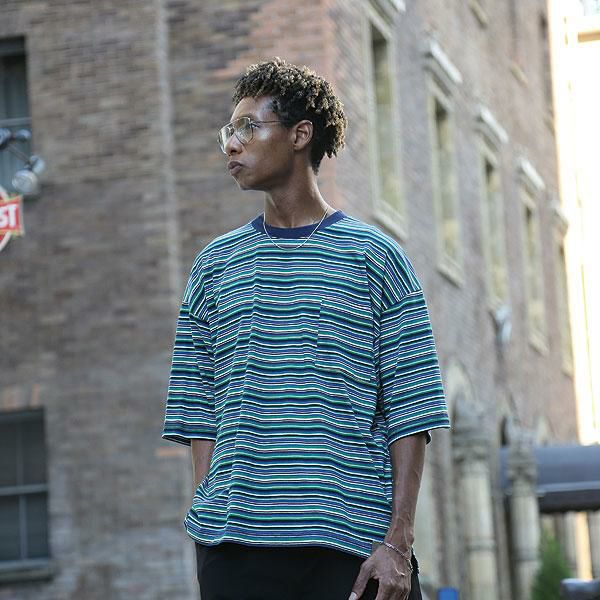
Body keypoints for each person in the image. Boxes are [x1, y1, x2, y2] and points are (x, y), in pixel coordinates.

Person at [162, 57, 451, 600]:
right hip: (238, 553)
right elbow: (196, 406)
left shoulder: (376, 256)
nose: (232, 144)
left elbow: (413, 408)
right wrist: (208, 517)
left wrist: (398, 543)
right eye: (229, 131)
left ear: (300, 135)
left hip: (353, 548)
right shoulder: (214, 265)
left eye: (249, 127)